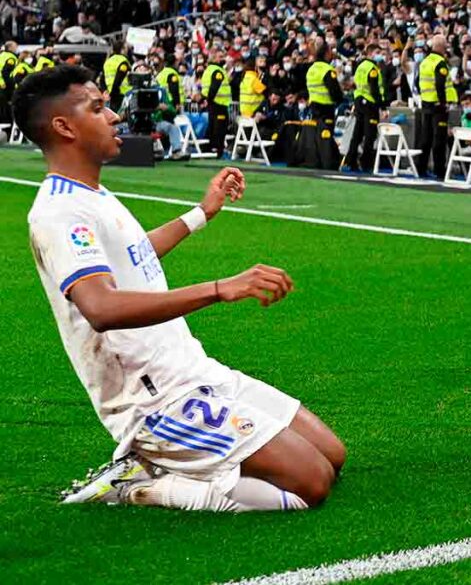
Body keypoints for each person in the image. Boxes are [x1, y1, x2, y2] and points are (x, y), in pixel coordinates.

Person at [13, 65, 345, 511]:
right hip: (153, 400)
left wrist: (202, 213)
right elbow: (101, 306)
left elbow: (134, 255)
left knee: (332, 455)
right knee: (311, 483)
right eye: (97, 108)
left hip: (194, 371)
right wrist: (219, 288)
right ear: (64, 127)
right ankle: (142, 483)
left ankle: (174, 464)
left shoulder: (92, 194)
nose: (114, 116)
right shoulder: (59, 212)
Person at [416, 34, 456, 178]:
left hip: (426, 103)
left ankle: (421, 168)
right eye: (445, 46)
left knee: (425, 138)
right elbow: (440, 84)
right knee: (439, 138)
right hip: (438, 106)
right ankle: (439, 170)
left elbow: (417, 82)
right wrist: (443, 102)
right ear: (441, 47)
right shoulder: (440, 63)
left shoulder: (425, 62)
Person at [346, 42, 388, 172]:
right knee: (370, 135)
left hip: (359, 101)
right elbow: (374, 89)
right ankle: (366, 163)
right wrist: (382, 107)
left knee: (357, 134)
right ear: (370, 53)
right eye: (377, 53)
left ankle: (350, 161)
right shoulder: (372, 69)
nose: (380, 56)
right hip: (370, 103)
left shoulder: (360, 66)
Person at [304, 42, 344, 170]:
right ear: (326, 53)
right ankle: (329, 162)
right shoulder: (327, 70)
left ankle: (316, 160)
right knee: (326, 135)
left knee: (316, 135)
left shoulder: (311, 69)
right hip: (325, 107)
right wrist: (341, 99)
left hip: (313, 106)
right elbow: (334, 91)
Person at [201, 47, 232, 158]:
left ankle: (208, 149)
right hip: (219, 104)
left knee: (212, 126)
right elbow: (214, 88)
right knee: (220, 129)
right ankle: (218, 150)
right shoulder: (218, 71)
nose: (223, 59)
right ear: (214, 58)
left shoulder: (208, 69)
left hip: (213, 103)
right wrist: (209, 100)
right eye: (220, 57)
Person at [101, 44, 131, 113]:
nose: (127, 50)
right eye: (126, 48)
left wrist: (105, 91)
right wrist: (113, 94)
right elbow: (118, 78)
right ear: (122, 50)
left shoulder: (107, 62)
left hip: (110, 94)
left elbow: (102, 79)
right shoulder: (123, 61)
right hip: (122, 94)